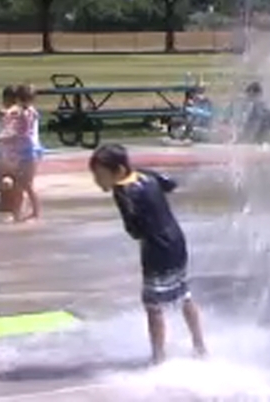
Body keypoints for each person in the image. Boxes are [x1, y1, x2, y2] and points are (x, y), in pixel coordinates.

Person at [89, 143, 208, 364]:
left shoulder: (123, 192)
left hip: (156, 247)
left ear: (118, 171)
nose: (97, 181)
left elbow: (134, 230)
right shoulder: (144, 174)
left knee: (153, 306)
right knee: (184, 294)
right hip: (176, 241)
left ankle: (158, 357)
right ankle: (200, 345)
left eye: (100, 176)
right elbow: (170, 184)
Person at [6, 84, 44, 222]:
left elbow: (24, 131)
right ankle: (17, 212)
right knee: (18, 184)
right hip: (24, 151)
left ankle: (35, 213)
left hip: (30, 151)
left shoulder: (28, 113)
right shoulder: (25, 111)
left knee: (26, 184)